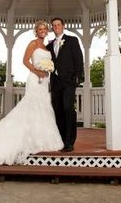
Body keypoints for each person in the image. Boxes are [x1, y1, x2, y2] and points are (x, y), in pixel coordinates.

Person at [0, 20, 63, 167]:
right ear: (36, 31)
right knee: (31, 105)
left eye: (45, 28)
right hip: (35, 79)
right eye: (40, 29)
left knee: (43, 107)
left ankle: (39, 137)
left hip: (45, 81)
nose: (43, 30)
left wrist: (47, 70)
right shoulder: (33, 44)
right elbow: (25, 61)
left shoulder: (46, 46)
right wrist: (37, 72)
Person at [46, 17, 84, 152]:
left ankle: (69, 142)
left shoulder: (72, 40)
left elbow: (79, 59)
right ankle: (61, 140)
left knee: (68, 109)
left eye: (58, 24)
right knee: (58, 110)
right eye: (54, 25)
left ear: (63, 26)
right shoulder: (49, 46)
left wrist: (78, 77)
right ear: (52, 28)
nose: (56, 27)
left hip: (69, 81)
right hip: (55, 83)